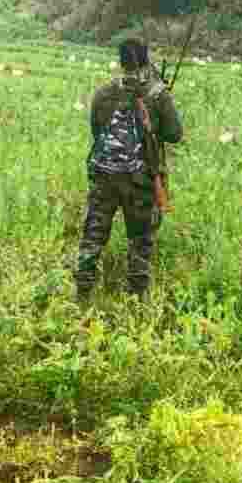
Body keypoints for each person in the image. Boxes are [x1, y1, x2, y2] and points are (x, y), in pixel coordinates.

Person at [74, 38, 182, 303]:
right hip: (141, 182)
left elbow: (97, 132)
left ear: (121, 62)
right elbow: (175, 135)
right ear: (146, 61)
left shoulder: (102, 94)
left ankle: (82, 293)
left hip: (104, 178)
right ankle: (136, 301)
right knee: (140, 242)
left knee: (93, 236)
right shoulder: (158, 95)